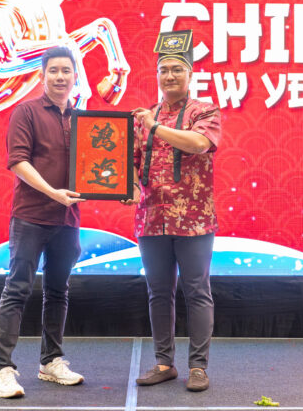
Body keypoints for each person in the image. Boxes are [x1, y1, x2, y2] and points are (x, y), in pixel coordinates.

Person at [125, 30, 221, 392]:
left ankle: (198, 367)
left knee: (197, 291)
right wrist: (130, 188)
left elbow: (198, 144)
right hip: (151, 218)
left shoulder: (204, 111)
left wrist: (156, 128)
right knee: (158, 292)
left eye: (177, 69)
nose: (169, 76)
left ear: (190, 74)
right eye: (163, 70)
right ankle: (164, 363)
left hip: (194, 220)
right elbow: (133, 164)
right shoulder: (142, 116)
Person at [0, 46, 86, 399]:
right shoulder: (26, 112)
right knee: (17, 289)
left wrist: (118, 187)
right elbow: (18, 161)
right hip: (30, 216)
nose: (60, 77)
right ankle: (2, 370)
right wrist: (52, 192)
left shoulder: (83, 120)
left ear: (75, 76)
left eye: (66, 71)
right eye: (53, 71)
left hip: (67, 219)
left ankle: (51, 361)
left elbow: (96, 168)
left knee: (58, 291)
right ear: (43, 75)